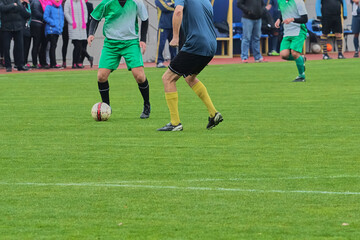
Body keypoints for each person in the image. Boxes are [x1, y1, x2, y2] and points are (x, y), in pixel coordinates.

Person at [157, 0, 223, 131]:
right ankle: (213, 113)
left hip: (196, 43)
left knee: (168, 78)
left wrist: (175, 37)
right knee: (190, 77)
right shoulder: (206, 1)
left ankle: (175, 123)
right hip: (211, 45)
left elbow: (178, 11)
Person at [87, 0, 151, 119]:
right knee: (101, 76)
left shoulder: (137, 2)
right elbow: (95, 17)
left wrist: (142, 40)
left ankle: (147, 105)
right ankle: (106, 106)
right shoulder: (107, 2)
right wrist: (91, 34)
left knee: (140, 76)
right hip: (111, 43)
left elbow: (145, 19)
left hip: (131, 42)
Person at [275, 0, 308, 82]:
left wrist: (292, 19)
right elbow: (284, 12)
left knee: (294, 52)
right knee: (283, 55)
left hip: (298, 31)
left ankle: (301, 76)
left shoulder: (299, 2)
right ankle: (301, 59)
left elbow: (305, 19)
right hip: (287, 32)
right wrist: (279, 19)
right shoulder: (280, 1)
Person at [0, 0, 30, 72]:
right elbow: (3, 8)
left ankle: (20, 65)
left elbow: (22, 9)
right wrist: (13, 5)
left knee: (19, 47)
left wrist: (12, 8)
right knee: (6, 48)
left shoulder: (17, 1)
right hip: (6, 27)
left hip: (18, 26)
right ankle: (8, 66)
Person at [64, 0, 87, 69]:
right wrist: (71, 21)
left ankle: (77, 62)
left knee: (80, 47)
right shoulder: (68, 2)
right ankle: (74, 63)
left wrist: (84, 21)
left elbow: (85, 12)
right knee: (77, 46)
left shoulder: (82, 2)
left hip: (82, 27)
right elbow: (66, 13)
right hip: (74, 27)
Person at [155, 0, 176, 68]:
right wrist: (174, 7)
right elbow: (165, 8)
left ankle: (174, 61)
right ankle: (159, 61)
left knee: (173, 45)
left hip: (172, 25)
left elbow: (177, 4)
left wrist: (172, 5)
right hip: (163, 26)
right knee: (161, 45)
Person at [43, 0, 64, 68]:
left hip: (57, 30)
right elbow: (45, 16)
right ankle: (53, 63)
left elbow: (62, 18)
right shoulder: (49, 6)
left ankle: (52, 63)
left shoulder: (60, 7)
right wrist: (53, 23)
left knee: (53, 46)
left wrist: (61, 26)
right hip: (51, 30)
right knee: (52, 46)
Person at [30, 0, 48, 69]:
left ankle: (42, 62)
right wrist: (46, 17)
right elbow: (36, 13)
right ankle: (35, 63)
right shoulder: (35, 2)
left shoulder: (41, 2)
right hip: (37, 25)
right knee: (36, 44)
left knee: (42, 44)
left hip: (41, 25)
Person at [79, 0, 93, 67]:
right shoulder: (79, 4)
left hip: (85, 27)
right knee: (80, 45)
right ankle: (87, 58)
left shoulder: (88, 5)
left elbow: (92, 16)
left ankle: (81, 61)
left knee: (82, 45)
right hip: (81, 26)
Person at [61, 0, 69, 67]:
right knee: (65, 44)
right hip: (65, 26)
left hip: (72, 26)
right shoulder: (61, 4)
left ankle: (77, 61)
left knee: (77, 43)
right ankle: (64, 61)